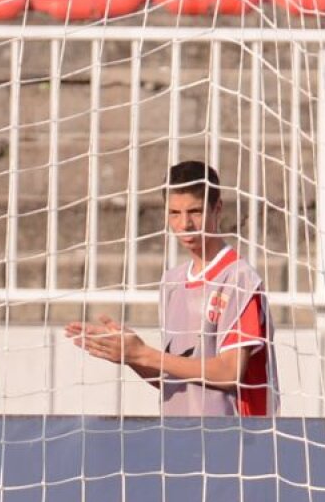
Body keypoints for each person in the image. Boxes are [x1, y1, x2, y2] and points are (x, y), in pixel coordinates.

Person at [66, 160, 275, 416]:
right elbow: (173, 379)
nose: (184, 224)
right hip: (177, 436)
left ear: (217, 208)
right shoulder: (172, 282)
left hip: (236, 439)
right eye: (174, 213)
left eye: (195, 212)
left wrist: (145, 354)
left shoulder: (239, 278)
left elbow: (229, 371)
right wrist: (131, 355)